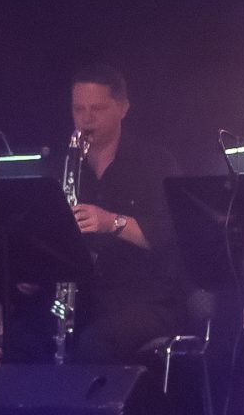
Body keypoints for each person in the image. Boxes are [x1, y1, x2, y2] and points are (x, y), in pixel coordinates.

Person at [47, 65, 188, 364]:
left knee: (95, 343)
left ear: (122, 108)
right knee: (25, 337)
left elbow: (171, 235)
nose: (86, 119)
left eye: (97, 109)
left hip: (147, 300)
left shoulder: (155, 162)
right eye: (79, 109)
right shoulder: (63, 168)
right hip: (84, 298)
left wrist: (110, 222)